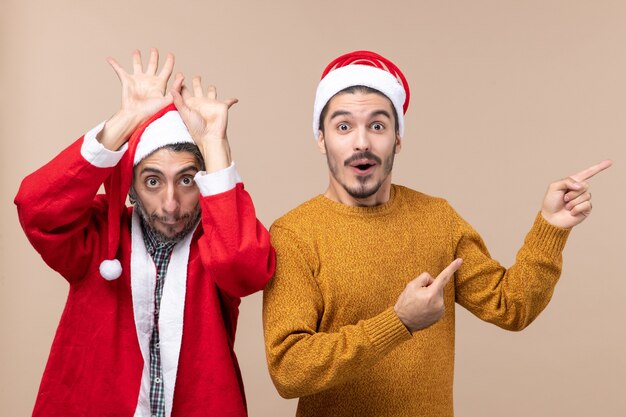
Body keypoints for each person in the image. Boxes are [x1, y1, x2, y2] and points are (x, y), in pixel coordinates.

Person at [262, 50, 612, 417]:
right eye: (344, 126)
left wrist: (550, 228)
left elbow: (512, 307)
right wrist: (398, 323)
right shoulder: (294, 234)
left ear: (398, 138)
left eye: (378, 126)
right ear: (321, 139)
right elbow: (288, 370)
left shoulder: (437, 218)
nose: (361, 142)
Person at [15, 48, 275, 417]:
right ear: (132, 187)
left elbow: (245, 269)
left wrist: (215, 145)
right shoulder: (95, 237)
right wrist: (126, 119)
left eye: (186, 180)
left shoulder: (218, 239)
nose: (170, 203)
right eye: (153, 181)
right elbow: (35, 207)